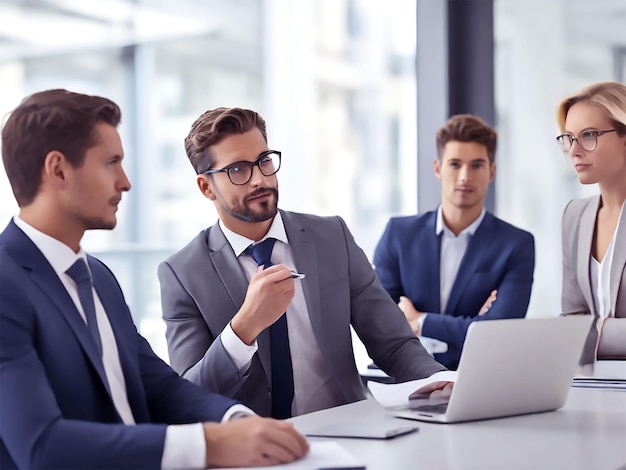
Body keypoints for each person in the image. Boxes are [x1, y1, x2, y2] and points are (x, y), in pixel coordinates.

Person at [0, 90, 309, 469]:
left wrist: (238, 423)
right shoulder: (6, 283)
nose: (125, 182)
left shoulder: (97, 276)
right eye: (111, 163)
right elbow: (41, 446)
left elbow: (158, 386)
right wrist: (208, 444)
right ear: (58, 170)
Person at [158, 107, 451, 419]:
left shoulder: (332, 237)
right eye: (238, 170)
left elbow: (394, 344)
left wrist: (438, 381)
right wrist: (244, 327)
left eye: (264, 161)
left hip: (350, 435)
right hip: (253, 452)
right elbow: (190, 395)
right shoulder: (182, 274)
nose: (259, 179)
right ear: (206, 187)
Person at [373, 114, 535, 369]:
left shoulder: (516, 244)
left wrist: (420, 321)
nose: (464, 177)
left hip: (477, 379)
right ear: (438, 168)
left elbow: (498, 333)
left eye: (477, 165)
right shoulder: (399, 234)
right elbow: (379, 323)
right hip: (402, 376)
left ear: (491, 172)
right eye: (455, 164)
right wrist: (471, 325)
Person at [556, 81, 626, 362]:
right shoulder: (575, 216)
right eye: (568, 138)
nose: (574, 150)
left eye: (588, 135)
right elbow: (569, 319)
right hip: (591, 383)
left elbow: (571, 331)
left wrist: (588, 332)